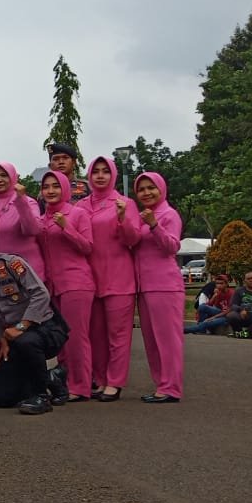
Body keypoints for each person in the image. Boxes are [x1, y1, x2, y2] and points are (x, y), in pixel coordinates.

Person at [0, 221, 66, 415]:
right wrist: (1, 340)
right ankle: (51, 378)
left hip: (45, 329)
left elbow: (41, 294)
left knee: (26, 340)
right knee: (2, 397)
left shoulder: (11, 264)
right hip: (12, 336)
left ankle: (42, 396)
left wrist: (22, 325)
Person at [76, 156, 141, 401]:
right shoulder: (81, 206)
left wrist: (123, 219)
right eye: (95, 171)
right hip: (89, 278)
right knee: (96, 335)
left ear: (113, 174)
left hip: (118, 277)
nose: (100, 176)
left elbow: (133, 240)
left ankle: (115, 382)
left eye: (105, 171)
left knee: (118, 335)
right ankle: (100, 379)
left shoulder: (124, 203)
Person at [37, 170, 95, 401]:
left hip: (76, 282)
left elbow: (88, 247)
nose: (50, 191)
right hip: (53, 285)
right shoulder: (41, 219)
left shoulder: (77, 214)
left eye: (56, 186)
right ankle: (64, 380)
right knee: (60, 337)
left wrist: (66, 227)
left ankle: (80, 386)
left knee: (76, 337)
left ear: (65, 189)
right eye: (46, 187)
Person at [133, 172, 185, 403]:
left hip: (165, 285)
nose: (146, 193)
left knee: (168, 339)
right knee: (152, 339)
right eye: (141, 189)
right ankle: (160, 385)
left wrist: (154, 225)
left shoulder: (168, 214)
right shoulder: (141, 215)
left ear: (161, 189)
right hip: (144, 286)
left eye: (151, 188)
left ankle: (171, 387)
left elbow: (171, 247)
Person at [0, 162, 45, 282]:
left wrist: (21, 201)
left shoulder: (28, 202)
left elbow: (33, 230)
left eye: (4, 175)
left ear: (13, 177)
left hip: (29, 273)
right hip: (3, 275)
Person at [226, 271, 252, 338]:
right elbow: (233, 305)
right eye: (248, 279)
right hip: (243, 316)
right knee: (231, 315)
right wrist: (241, 309)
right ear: (245, 281)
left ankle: (244, 334)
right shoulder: (239, 291)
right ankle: (239, 333)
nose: (251, 280)